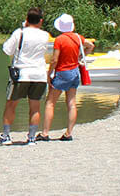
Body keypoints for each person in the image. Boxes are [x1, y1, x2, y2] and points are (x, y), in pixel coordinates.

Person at [0, 7, 51, 146]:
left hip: (22, 73)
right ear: (41, 21)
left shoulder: (20, 33)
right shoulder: (45, 35)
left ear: (26, 20)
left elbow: (7, 50)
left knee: (11, 104)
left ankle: (6, 136)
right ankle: (31, 138)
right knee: (35, 106)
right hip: (39, 74)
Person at [38, 13, 94, 142]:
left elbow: (55, 60)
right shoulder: (78, 37)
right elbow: (91, 45)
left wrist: (49, 73)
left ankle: (45, 133)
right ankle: (68, 133)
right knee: (71, 103)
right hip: (75, 72)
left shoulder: (60, 40)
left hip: (63, 72)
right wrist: (81, 56)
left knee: (50, 102)